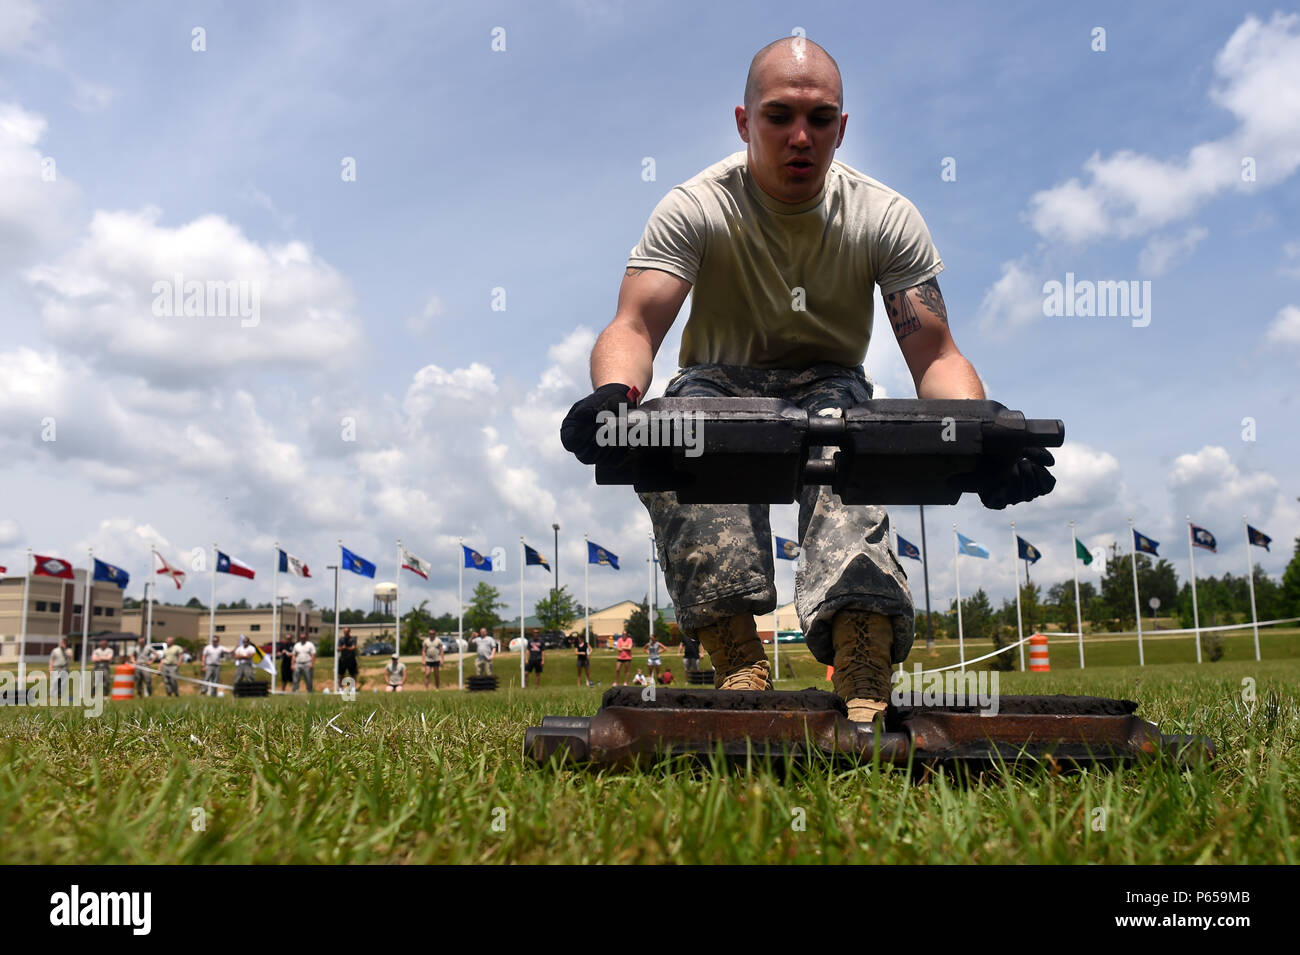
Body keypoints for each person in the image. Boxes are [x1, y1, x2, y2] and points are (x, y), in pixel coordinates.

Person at [560, 37, 1054, 722]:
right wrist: (616, 395)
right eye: (778, 115)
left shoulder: (883, 216)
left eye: (820, 119)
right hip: (717, 383)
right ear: (743, 122)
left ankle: (862, 656)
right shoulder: (697, 206)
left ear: (842, 128)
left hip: (830, 382)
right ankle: (736, 656)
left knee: (856, 448)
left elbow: (936, 355)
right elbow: (636, 325)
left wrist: (981, 436)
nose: (800, 137)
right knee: (678, 435)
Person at [49, 637, 73, 704]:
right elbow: (51, 660)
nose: (63, 644)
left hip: (64, 668)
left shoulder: (69, 650)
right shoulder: (55, 650)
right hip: (56, 668)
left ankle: (62, 696)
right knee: (54, 683)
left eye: (65, 643)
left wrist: (65, 651)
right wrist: (50, 669)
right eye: (62, 643)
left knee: (63, 683)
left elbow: (71, 657)